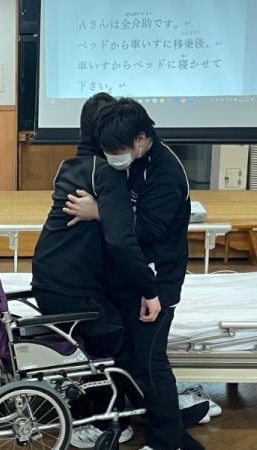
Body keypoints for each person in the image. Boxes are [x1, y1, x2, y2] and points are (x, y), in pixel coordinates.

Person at [65, 98, 202, 450]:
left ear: (141, 139)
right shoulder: (127, 159)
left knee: (148, 360)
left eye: (116, 150)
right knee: (121, 354)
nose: (112, 157)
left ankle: (166, 440)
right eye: (106, 150)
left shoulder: (167, 173)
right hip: (126, 274)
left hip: (157, 280)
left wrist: (99, 212)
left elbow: (146, 231)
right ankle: (141, 420)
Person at [31, 93, 161, 448]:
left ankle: (98, 408)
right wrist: (149, 290)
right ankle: (109, 419)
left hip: (48, 277)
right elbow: (122, 242)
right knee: (118, 340)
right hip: (71, 290)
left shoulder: (70, 165)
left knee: (104, 332)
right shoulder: (105, 173)